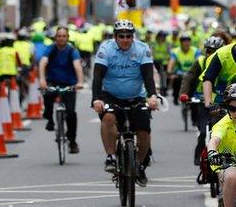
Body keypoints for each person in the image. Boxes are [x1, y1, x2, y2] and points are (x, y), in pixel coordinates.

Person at [92, 20, 159, 185]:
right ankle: (111, 156)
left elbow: (148, 76)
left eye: (129, 36)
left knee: (144, 132)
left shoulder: (142, 49)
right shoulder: (106, 49)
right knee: (108, 118)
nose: (125, 39)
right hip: (110, 95)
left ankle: (139, 165)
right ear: (115, 37)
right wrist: (96, 98)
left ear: (133, 37)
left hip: (136, 96)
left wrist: (152, 96)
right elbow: (98, 76)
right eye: (121, 36)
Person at [38, 26, 85, 153]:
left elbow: (77, 66)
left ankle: (72, 141)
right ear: (55, 37)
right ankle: (50, 119)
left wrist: (80, 82)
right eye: (59, 36)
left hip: (69, 83)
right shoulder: (51, 48)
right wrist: (42, 80)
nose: (61, 38)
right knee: (47, 96)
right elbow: (42, 63)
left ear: (67, 38)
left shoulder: (72, 50)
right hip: (52, 81)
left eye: (64, 36)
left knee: (71, 113)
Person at [181, 36, 224, 164]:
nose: (211, 54)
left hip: (219, 102)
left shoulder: (226, 62)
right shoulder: (200, 61)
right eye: (209, 51)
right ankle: (198, 153)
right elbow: (188, 77)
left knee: (221, 132)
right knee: (203, 132)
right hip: (202, 101)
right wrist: (184, 93)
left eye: (215, 51)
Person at [167, 33, 199, 105]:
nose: (186, 43)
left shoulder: (195, 51)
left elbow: (199, 61)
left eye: (188, 41)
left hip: (192, 73)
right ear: (181, 43)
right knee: (175, 80)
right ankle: (175, 96)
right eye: (184, 41)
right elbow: (171, 62)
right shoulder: (175, 51)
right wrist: (169, 72)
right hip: (180, 73)